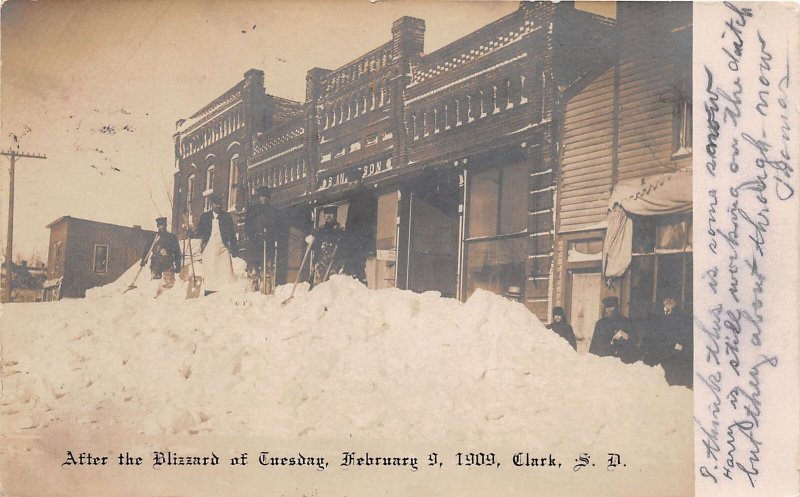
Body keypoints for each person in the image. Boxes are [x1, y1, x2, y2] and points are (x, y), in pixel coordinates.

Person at [643, 294, 693, 388]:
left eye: (672, 298)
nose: (669, 301)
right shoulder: (654, 315)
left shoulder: (682, 317)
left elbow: (684, 337)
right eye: (666, 298)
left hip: (673, 354)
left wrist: (679, 345)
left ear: (676, 301)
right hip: (657, 353)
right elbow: (649, 337)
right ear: (662, 300)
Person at [194, 194, 239, 295]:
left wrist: (234, 248)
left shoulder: (226, 217)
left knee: (225, 268)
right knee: (210, 268)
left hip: (222, 247)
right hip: (208, 246)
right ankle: (209, 290)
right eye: (215, 204)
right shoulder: (205, 217)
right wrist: (191, 232)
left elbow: (232, 233)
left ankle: (226, 290)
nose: (218, 206)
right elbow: (199, 231)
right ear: (211, 205)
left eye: (219, 204)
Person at [244, 186, 276, 291]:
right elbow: (247, 226)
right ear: (259, 197)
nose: (265, 199)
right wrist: (253, 236)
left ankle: (266, 290)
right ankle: (252, 291)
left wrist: (270, 236)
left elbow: (275, 226)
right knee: (253, 270)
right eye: (263, 196)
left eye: (267, 197)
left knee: (266, 269)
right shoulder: (252, 210)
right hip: (254, 243)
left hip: (267, 243)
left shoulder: (272, 210)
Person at [141, 217, 182, 298]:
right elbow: (147, 249)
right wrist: (143, 260)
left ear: (166, 225)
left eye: (163, 225)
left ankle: (166, 302)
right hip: (156, 264)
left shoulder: (171, 237)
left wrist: (178, 265)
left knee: (169, 286)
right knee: (155, 285)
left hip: (168, 263)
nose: (162, 227)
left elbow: (177, 252)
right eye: (160, 225)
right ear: (157, 226)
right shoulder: (154, 237)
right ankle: (153, 301)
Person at [589, 296, 638, 363]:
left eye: (612, 306)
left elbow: (635, 341)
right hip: (605, 360)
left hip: (621, 360)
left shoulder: (626, 322)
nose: (609, 310)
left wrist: (626, 336)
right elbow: (593, 346)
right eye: (607, 307)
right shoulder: (600, 324)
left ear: (617, 307)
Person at [309, 206, 344, 286]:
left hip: (335, 262)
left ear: (335, 216)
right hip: (321, 262)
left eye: (331, 214)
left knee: (332, 285)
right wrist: (314, 262)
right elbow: (316, 248)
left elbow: (343, 249)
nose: (328, 216)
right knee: (318, 284)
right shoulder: (320, 230)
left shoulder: (340, 230)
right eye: (326, 214)